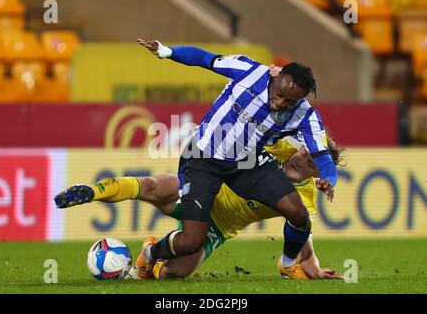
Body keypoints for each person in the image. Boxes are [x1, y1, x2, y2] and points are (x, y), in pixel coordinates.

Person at [131, 39, 338, 279]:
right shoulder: (249, 71)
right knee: (190, 241)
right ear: (277, 76)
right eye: (280, 94)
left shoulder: (306, 115)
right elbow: (205, 59)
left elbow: (322, 155)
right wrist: (167, 51)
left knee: (299, 214)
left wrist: (329, 178)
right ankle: (151, 253)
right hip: (206, 159)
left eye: (290, 102)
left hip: (245, 166)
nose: (281, 103)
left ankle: (287, 263)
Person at [54, 136, 345, 280]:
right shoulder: (276, 145)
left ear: (318, 173)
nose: (299, 161)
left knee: (172, 274)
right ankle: (93, 190)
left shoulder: (304, 198)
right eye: (303, 153)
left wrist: (313, 267)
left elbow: (302, 232)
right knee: (155, 186)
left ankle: (150, 253)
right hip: (205, 190)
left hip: (219, 227)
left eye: (310, 163)